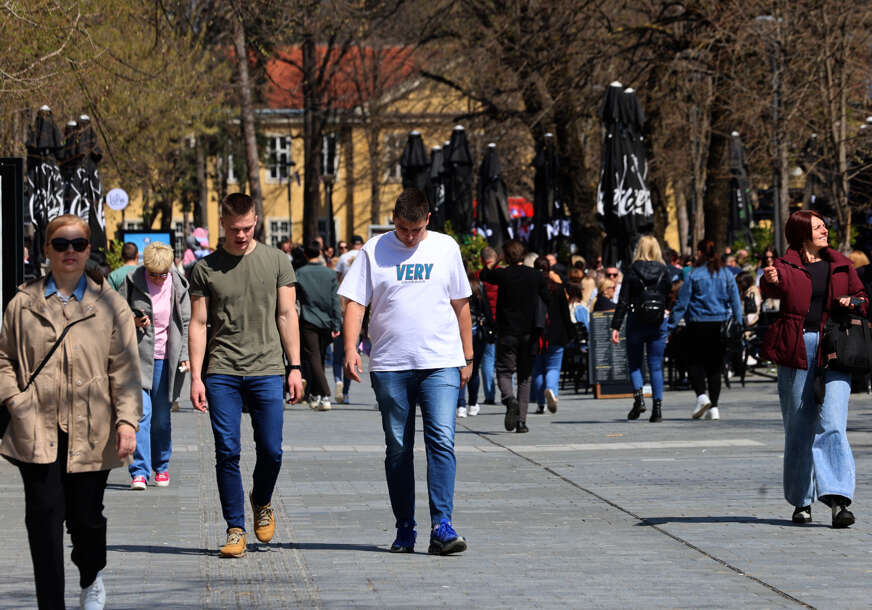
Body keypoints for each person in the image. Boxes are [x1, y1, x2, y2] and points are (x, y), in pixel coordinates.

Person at [0, 214, 141, 610]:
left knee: (87, 519)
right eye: (60, 244)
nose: (70, 251)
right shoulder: (23, 303)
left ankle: (90, 574)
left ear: (88, 248)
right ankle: (51, 602)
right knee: (43, 521)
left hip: (92, 428)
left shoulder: (109, 305)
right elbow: (3, 358)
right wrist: (15, 400)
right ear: (46, 249)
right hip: (36, 429)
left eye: (78, 243)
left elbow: (126, 367)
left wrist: (127, 421)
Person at [339, 188, 472, 555]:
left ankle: (442, 526)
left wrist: (468, 355)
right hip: (391, 364)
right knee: (398, 447)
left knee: (442, 440)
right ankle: (405, 527)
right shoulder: (373, 250)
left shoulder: (446, 248)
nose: (409, 237)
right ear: (393, 220)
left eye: (415, 230)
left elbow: (460, 304)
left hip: (441, 362)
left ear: (427, 219)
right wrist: (351, 349)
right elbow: (354, 304)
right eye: (401, 229)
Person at [188, 193, 304, 558]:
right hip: (221, 370)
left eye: (248, 227)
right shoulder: (205, 269)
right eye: (235, 228)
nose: (242, 234)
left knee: (271, 450)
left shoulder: (276, 261)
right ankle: (235, 528)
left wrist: (296, 367)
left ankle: (262, 498)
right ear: (222, 223)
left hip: (267, 368)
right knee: (227, 452)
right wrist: (195, 376)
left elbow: (287, 314)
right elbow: (199, 322)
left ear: (256, 220)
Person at [760, 210, 867, 528]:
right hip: (798, 348)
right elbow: (771, 290)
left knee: (833, 423)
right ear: (802, 233)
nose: (825, 231)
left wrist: (853, 302)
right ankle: (801, 500)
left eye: (825, 226)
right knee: (799, 427)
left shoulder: (842, 263)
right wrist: (769, 282)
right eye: (819, 227)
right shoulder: (784, 265)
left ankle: (838, 501)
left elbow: (864, 298)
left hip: (836, 349)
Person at [119, 242, 190, 490]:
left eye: (163, 274)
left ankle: (161, 465)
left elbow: (186, 322)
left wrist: (184, 354)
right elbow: (115, 314)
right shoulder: (131, 280)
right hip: (137, 358)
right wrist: (134, 320)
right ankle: (139, 471)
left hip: (166, 359)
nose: (159, 279)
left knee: (161, 418)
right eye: (153, 274)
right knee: (142, 414)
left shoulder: (178, 284)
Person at [668, 239, 742, 421]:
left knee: (694, 362)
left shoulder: (694, 275)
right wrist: (738, 324)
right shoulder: (726, 274)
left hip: (697, 323)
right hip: (720, 324)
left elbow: (682, 303)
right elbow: (735, 301)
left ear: (700, 253)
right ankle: (714, 407)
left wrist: (670, 325)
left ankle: (701, 396)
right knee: (715, 366)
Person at [480, 239, 549, 433]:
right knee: (525, 377)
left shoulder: (503, 275)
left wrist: (496, 261)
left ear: (506, 256)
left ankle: (510, 399)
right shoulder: (536, 276)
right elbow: (547, 298)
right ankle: (521, 422)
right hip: (529, 333)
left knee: (504, 371)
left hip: (507, 332)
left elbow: (485, 274)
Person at [610, 235, 672, 422]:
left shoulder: (632, 270)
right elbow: (669, 294)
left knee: (635, 363)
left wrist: (615, 326)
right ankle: (658, 409)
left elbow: (623, 300)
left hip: (636, 320)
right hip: (658, 321)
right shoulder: (664, 270)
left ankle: (639, 399)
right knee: (656, 366)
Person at [295, 240, 342, 411]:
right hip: (327, 321)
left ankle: (325, 393)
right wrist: (337, 323)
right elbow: (335, 300)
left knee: (313, 358)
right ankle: (316, 395)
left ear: (306, 255)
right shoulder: (329, 274)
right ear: (320, 253)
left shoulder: (299, 273)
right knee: (319, 357)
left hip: (308, 320)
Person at [530, 256, 573, 415]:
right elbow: (565, 314)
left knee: (538, 369)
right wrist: (570, 333)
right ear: (549, 269)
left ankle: (540, 403)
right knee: (553, 367)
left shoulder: (530, 290)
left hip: (537, 334)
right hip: (556, 334)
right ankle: (551, 389)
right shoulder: (558, 289)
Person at [457, 268, 495, 418]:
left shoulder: (455, 286)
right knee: (474, 367)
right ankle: (472, 403)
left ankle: (460, 405)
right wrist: (492, 327)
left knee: (459, 368)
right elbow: (486, 309)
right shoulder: (478, 286)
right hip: (476, 331)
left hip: (458, 331)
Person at [477, 246, 499, 404]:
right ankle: (507, 393)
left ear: (481, 260)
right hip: (503, 322)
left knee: (487, 360)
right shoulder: (502, 274)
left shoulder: (478, 276)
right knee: (505, 361)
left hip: (486, 324)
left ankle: (490, 395)